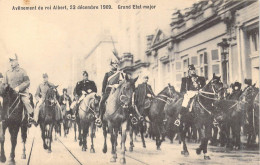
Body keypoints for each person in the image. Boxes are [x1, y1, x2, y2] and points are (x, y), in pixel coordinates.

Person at [4, 54, 34, 123]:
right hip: (10, 94)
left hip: (21, 93)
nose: (11, 63)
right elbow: (4, 84)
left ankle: (30, 116)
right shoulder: (7, 72)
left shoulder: (22, 71)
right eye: (10, 61)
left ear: (17, 61)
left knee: (26, 101)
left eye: (13, 61)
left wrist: (19, 88)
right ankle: (2, 116)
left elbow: (27, 81)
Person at [96, 57, 126, 126]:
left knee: (125, 101)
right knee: (102, 102)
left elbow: (122, 82)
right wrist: (103, 92)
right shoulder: (107, 74)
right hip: (109, 91)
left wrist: (117, 85)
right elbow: (104, 84)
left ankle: (127, 117)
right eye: (114, 63)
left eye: (116, 64)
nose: (116, 65)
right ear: (111, 65)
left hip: (117, 91)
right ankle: (100, 117)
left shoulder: (120, 74)